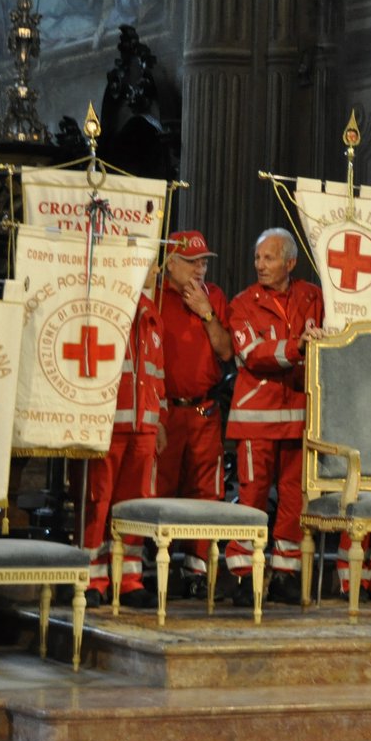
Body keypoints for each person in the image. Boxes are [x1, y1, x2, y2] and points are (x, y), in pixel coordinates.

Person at [222, 228, 324, 605]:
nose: (259, 266)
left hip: (299, 415)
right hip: (257, 416)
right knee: (251, 494)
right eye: (257, 258)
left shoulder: (314, 297)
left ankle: (285, 573)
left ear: (290, 262)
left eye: (268, 258)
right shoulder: (243, 303)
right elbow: (253, 354)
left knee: (294, 499)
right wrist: (297, 345)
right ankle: (241, 574)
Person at [73, 286, 165, 608]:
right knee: (98, 505)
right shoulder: (103, 305)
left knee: (134, 509)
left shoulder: (151, 312)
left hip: (144, 429)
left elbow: (157, 373)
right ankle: (91, 578)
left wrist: (159, 418)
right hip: (108, 427)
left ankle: (128, 578)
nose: (153, 271)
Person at [154, 230, 234, 597]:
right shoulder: (153, 298)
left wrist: (207, 313)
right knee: (160, 490)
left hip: (204, 410)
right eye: (192, 261)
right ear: (171, 263)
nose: (200, 268)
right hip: (166, 412)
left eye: (204, 261)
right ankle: (156, 568)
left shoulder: (214, 296)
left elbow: (226, 352)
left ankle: (197, 572)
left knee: (205, 492)